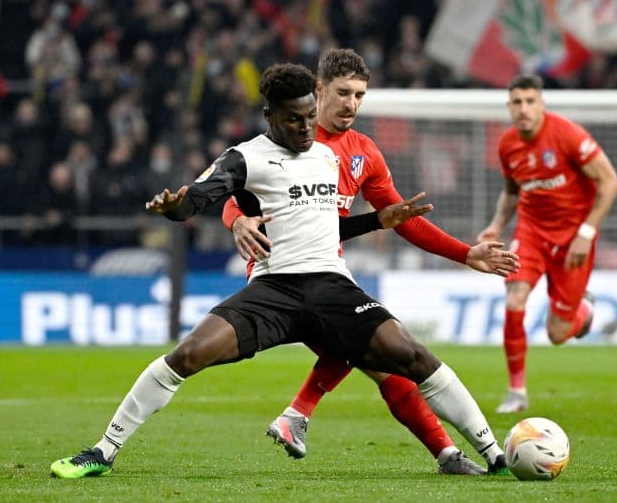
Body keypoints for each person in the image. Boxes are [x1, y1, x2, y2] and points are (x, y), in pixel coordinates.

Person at [50, 63, 509, 478]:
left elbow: (324, 226)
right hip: (274, 289)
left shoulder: (332, 156)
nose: (308, 127)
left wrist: (379, 221)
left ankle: (495, 457)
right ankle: (103, 452)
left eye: (311, 117)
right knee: (188, 353)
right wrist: (178, 208)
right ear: (270, 116)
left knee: (410, 355)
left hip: (330, 285)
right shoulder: (245, 158)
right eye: (296, 119)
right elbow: (206, 196)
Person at [222, 49, 519, 475]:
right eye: (343, 93)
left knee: (387, 365)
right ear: (318, 91)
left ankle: (445, 454)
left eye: (360, 95)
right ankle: (298, 413)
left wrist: (466, 253)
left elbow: (402, 220)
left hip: (328, 268)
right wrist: (237, 222)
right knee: (371, 343)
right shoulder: (288, 141)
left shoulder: (365, 152)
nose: (352, 104)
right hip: (281, 272)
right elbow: (231, 197)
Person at [477, 73, 617, 414]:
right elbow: (513, 190)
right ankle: (516, 392)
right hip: (531, 233)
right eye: (517, 102)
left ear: (541, 103)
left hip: (574, 237)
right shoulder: (507, 143)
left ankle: (582, 309)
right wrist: (496, 225)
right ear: (509, 106)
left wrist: (586, 234)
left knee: (557, 333)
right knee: (514, 300)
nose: (523, 109)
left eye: (530, 101)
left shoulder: (567, 134)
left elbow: (610, 182)